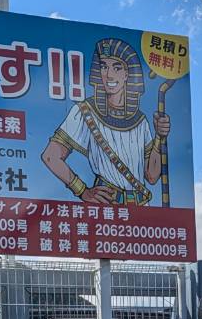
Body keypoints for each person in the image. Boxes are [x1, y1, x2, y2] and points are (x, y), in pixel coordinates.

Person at [41, 38, 170, 205]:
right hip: (106, 209)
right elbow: (50, 156)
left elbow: (152, 176)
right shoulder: (84, 111)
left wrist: (160, 137)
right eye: (104, 67)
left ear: (127, 74)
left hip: (140, 213)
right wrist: (82, 190)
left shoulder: (140, 121)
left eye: (117, 68)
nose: (109, 75)